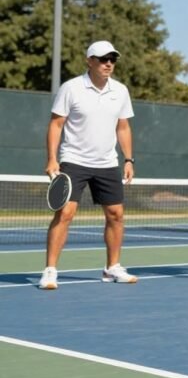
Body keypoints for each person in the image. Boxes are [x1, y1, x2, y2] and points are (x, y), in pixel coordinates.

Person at [40, 40, 138, 290]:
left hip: (107, 163)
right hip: (74, 161)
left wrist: (128, 159)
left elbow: (123, 127)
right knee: (65, 214)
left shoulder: (121, 91)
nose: (108, 64)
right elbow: (56, 124)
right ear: (89, 61)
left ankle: (112, 267)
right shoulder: (71, 88)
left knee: (116, 215)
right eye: (103, 59)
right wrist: (52, 158)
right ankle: (50, 271)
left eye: (112, 59)